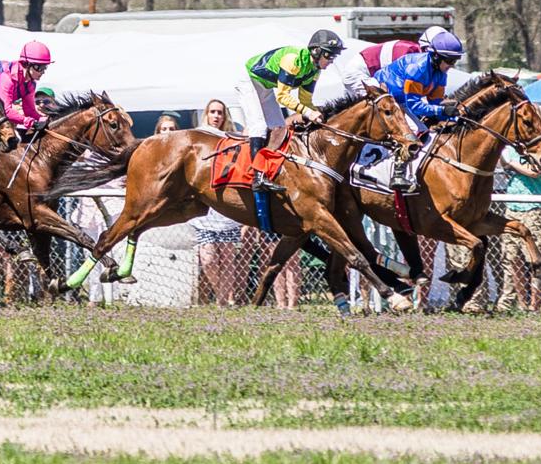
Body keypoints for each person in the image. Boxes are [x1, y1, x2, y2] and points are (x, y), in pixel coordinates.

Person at [237, 29, 344, 192]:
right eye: (329, 55)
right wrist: (308, 113)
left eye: (334, 56)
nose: (331, 60)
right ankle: (257, 176)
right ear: (316, 51)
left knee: (279, 128)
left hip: (264, 85)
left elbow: (305, 100)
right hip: (250, 80)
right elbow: (282, 97)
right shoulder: (293, 60)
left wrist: (320, 114)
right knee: (258, 126)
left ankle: (268, 169)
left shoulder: (315, 71)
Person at [374, 30, 465, 191]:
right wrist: (442, 111)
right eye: (450, 61)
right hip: (388, 99)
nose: (452, 66)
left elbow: (435, 102)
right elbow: (414, 105)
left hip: (401, 100)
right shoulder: (417, 69)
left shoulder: (441, 74)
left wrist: (452, 116)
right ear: (436, 57)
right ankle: (398, 173)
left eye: (455, 61)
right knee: (416, 130)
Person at [187, 100, 248, 305]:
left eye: (220, 112)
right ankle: (223, 296)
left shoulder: (231, 138)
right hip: (205, 208)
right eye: (212, 112)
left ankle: (223, 303)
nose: (216, 116)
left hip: (226, 206)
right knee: (209, 259)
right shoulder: (198, 137)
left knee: (228, 258)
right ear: (206, 114)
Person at [495, 137, 541, 313]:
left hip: (533, 206)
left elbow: (536, 171)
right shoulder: (511, 146)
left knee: (535, 258)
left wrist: (512, 162)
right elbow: (502, 165)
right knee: (513, 258)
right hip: (512, 206)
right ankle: (521, 304)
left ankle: (535, 305)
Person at [338, 26, 450, 97]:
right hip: (359, 73)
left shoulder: (421, 59)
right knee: (386, 105)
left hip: (373, 75)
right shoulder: (407, 52)